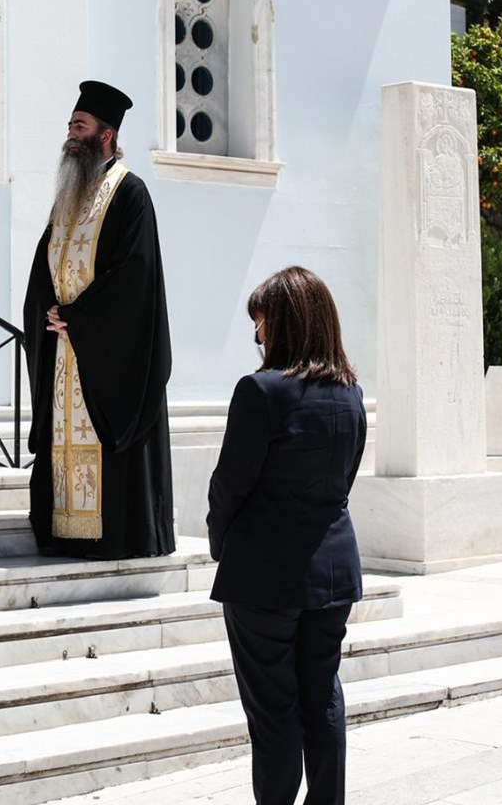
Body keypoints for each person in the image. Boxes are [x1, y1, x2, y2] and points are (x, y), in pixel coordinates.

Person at [207, 266, 365, 805]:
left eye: (262, 323)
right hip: (332, 571)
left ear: (285, 324)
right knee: (322, 699)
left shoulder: (260, 391)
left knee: (273, 711)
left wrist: (221, 544)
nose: (258, 335)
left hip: (264, 577)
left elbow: (230, 485)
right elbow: (343, 481)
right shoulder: (351, 394)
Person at [22, 80, 175, 559]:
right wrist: (48, 309)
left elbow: (135, 275)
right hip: (65, 345)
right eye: (70, 125)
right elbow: (46, 262)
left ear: (105, 135)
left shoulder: (130, 193)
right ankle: (65, 531)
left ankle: (112, 537)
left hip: (103, 350)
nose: (71, 134)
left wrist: (81, 318)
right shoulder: (69, 196)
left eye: (80, 126)